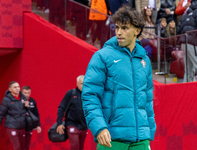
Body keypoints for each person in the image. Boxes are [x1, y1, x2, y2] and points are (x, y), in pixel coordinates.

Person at [82, 5, 156, 150]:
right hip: (111, 138)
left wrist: (148, 133)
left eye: (124, 28)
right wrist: (99, 127)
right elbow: (90, 96)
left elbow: (147, 99)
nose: (119, 32)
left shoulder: (144, 61)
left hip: (140, 140)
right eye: (117, 28)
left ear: (137, 30)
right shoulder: (102, 56)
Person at [56, 75, 87, 150]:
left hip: (83, 126)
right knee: (75, 146)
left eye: (85, 83)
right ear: (77, 84)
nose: (84, 86)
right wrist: (59, 123)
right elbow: (61, 108)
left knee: (81, 147)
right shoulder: (71, 93)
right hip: (72, 124)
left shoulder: (88, 96)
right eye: (82, 83)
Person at [0, 81, 29, 150]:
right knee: (17, 147)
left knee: (23, 147)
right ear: (10, 89)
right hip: (12, 126)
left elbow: (26, 111)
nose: (17, 88)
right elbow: (1, 113)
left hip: (22, 126)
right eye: (15, 87)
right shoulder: (6, 100)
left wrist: (27, 107)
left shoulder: (23, 98)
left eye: (18, 87)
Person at [177, 0, 197, 82]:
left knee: (188, 71)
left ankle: (187, 93)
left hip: (184, 42)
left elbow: (178, 29)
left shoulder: (186, 13)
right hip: (194, 43)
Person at [22, 86, 41, 150]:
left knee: (27, 145)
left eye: (28, 93)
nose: (27, 94)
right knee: (20, 145)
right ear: (22, 93)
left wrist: (38, 125)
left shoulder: (33, 101)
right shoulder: (18, 101)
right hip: (20, 126)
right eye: (25, 93)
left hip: (29, 126)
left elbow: (36, 114)